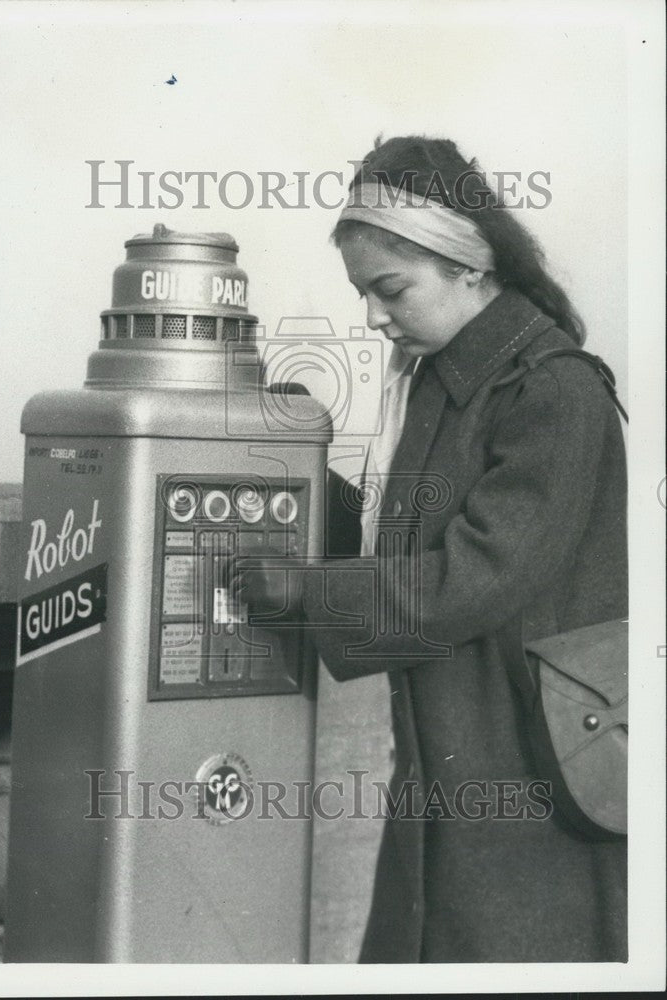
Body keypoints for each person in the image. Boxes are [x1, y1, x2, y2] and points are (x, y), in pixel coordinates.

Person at [231, 136, 627, 963]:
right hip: (454, 761)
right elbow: (406, 538)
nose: (374, 316)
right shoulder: (446, 379)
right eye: (365, 294)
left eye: (391, 290)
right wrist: (276, 459)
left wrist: (304, 592)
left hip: (534, 775)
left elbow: (471, 580)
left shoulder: (553, 389)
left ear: (470, 269)